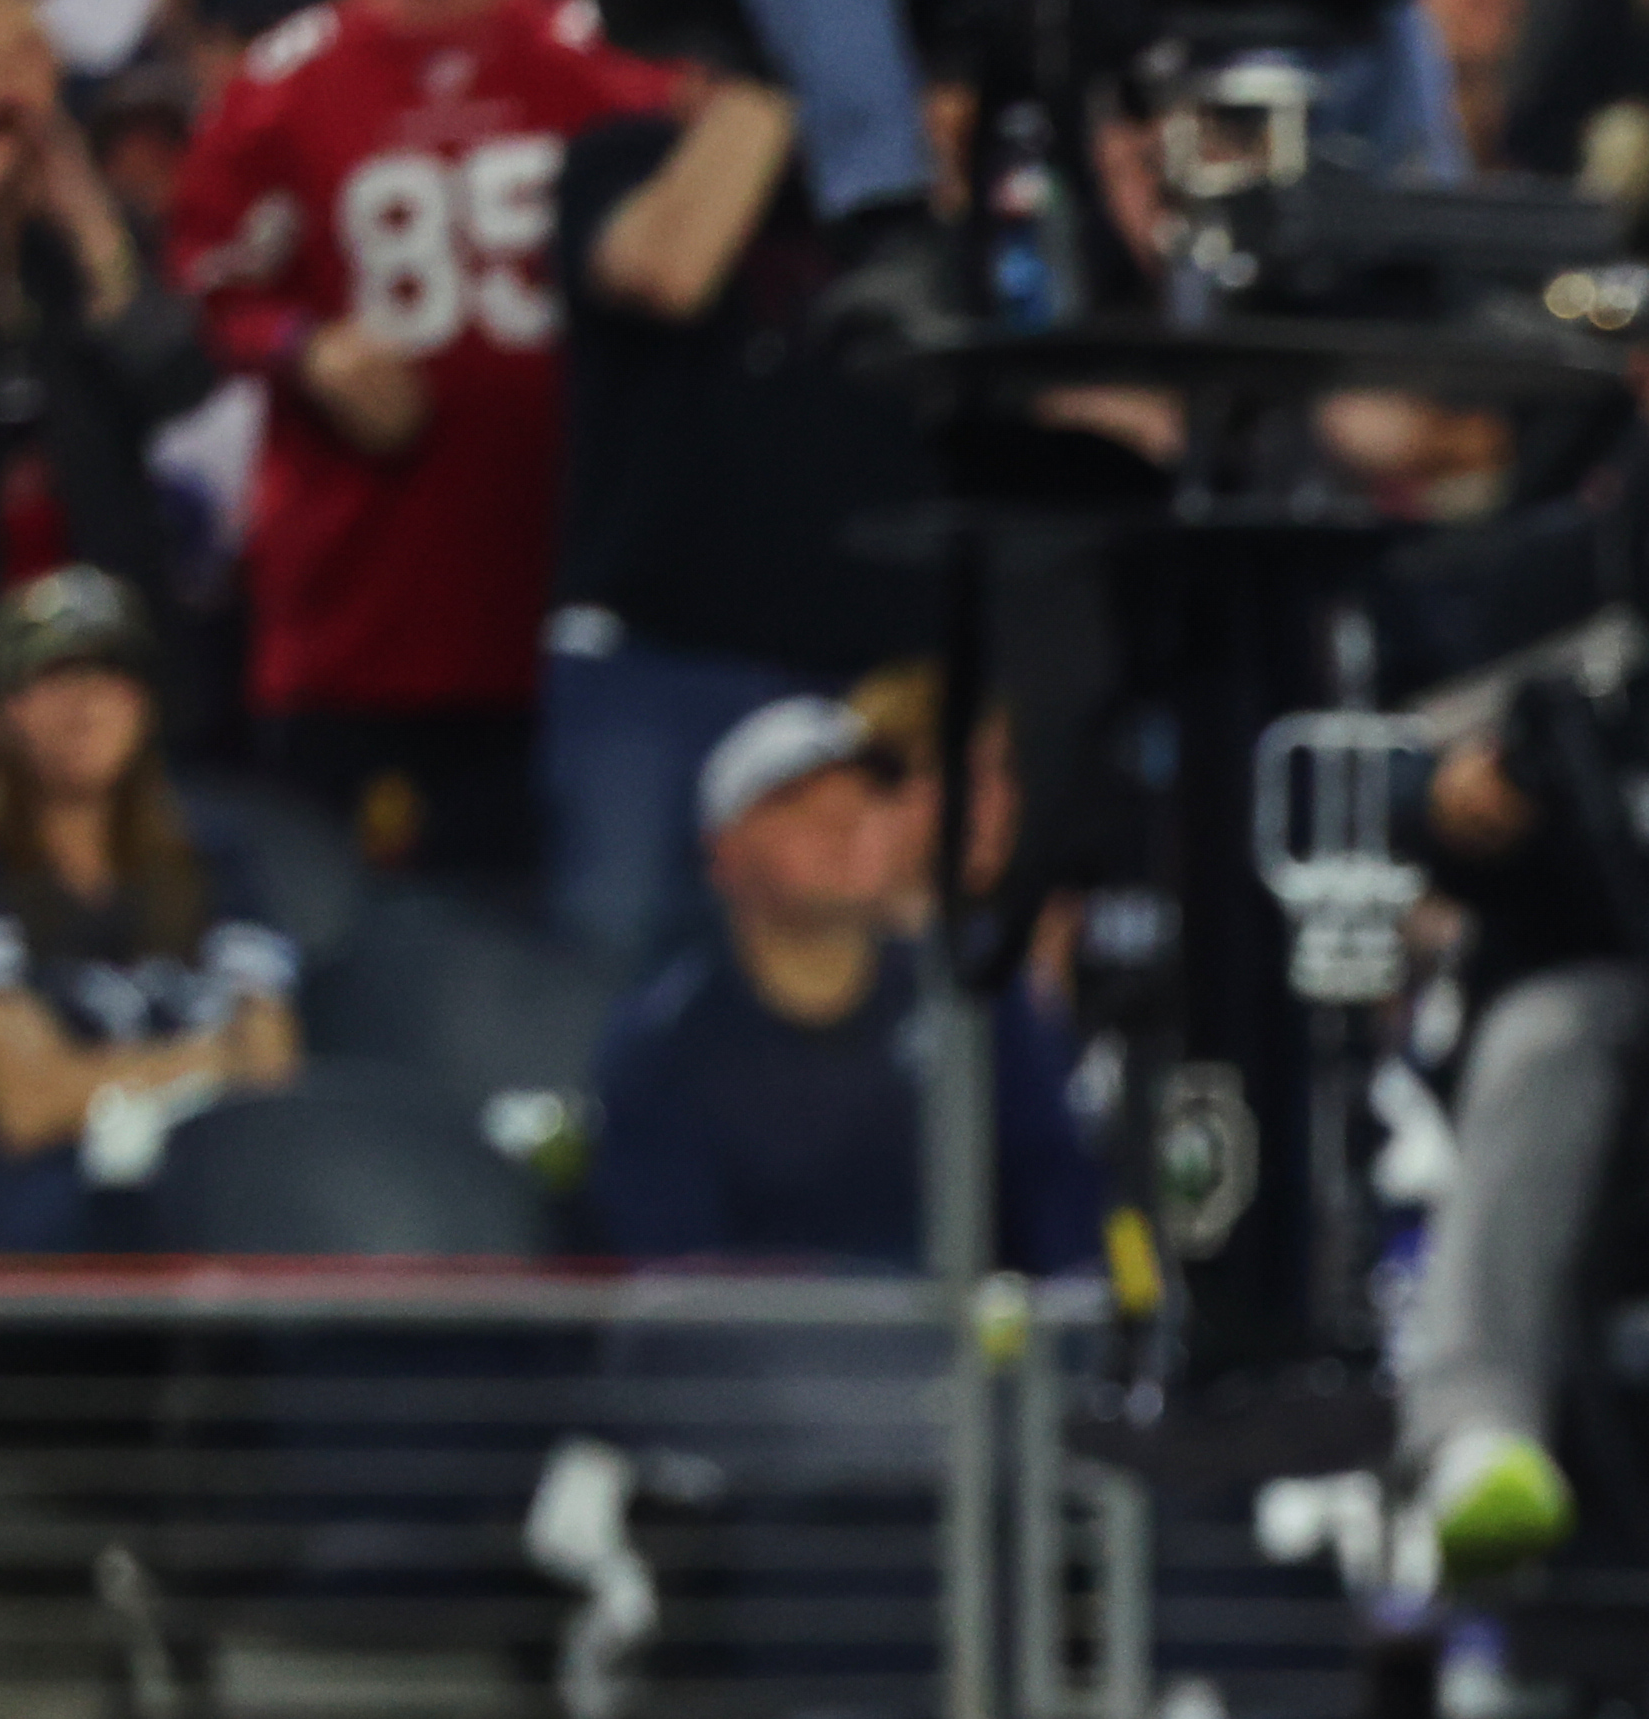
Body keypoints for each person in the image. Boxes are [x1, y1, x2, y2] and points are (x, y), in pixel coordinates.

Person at [168, 0, 679, 874]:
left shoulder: (601, 55)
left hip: (580, 598)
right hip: (364, 616)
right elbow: (207, 281)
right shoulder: (285, 83)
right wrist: (306, 349)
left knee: (580, 957)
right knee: (350, 951)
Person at [544, 54, 945, 973]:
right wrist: (794, 64)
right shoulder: (623, 160)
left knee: (901, 998)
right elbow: (668, 269)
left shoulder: (913, 198)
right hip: (664, 662)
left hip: (883, 675)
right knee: (614, 978)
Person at [583, 695, 1098, 1271]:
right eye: (797, 803)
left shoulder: (977, 999)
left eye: (870, 794)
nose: (845, 821)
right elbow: (680, 1286)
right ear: (723, 854)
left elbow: (1061, 1215)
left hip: (966, 1356)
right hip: (760, 1354)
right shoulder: (663, 1044)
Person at [0, 566, 292, 1249]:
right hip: (41, 1208)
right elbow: (23, 1104)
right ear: (5, 707)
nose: (89, 703)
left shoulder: (215, 854)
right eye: (57, 677)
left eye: (112, 676)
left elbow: (272, 1067)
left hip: (218, 1189)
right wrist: (211, 1061)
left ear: (146, 704)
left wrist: (95, 1080)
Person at [0, 0, 208, 782]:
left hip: (104, 640)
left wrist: (89, 225)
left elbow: (179, 383)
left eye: (30, 59)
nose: (11, 88)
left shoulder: (100, 229)